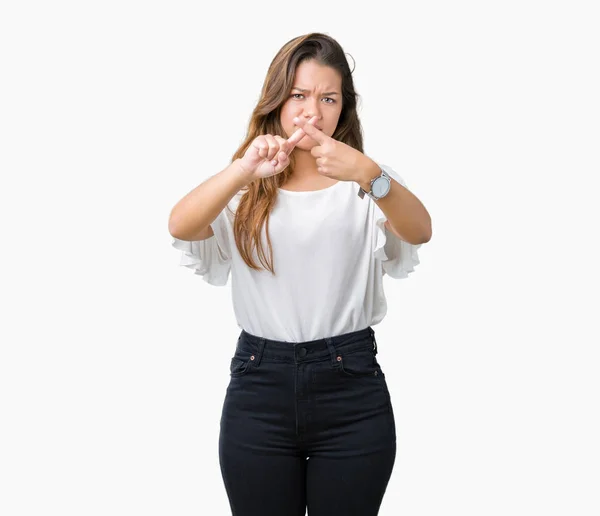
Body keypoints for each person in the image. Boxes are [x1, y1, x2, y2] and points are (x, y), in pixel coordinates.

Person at [168, 32, 432, 516]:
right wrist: (244, 170)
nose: (312, 112)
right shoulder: (248, 182)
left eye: (328, 98)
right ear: (278, 98)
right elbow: (180, 223)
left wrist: (368, 172)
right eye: (299, 95)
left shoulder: (366, 179)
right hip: (258, 388)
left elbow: (419, 232)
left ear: (343, 108)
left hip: (351, 389)